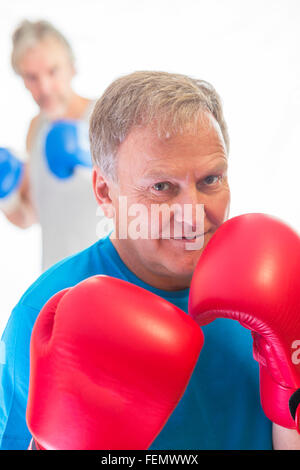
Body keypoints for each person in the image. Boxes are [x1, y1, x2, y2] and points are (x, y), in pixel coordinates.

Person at [0, 71, 299, 450]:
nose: (193, 214)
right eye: (161, 187)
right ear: (105, 193)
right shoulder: (44, 312)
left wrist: (292, 390)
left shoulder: (279, 280)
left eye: (210, 180)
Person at [2, 19, 99, 271]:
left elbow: (140, 203)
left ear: (72, 67)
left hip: (105, 280)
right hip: (53, 280)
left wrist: (89, 160)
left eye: (52, 71)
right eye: (31, 77)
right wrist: (7, 195)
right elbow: (31, 216)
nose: (43, 87)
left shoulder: (104, 117)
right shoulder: (36, 128)